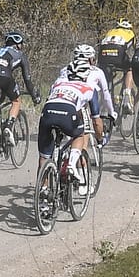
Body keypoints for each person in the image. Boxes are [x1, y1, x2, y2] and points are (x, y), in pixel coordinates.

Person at [38, 60, 100, 188]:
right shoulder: (89, 88)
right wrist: (100, 137)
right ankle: (71, 164)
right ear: (86, 76)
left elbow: (52, 99)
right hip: (67, 113)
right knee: (79, 135)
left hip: (47, 113)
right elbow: (95, 117)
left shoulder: (57, 83)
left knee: (44, 156)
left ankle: (43, 191)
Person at [0, 31, 36, 128]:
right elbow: (27, 79)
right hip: (4, 76)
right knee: (16, 101)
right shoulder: (20, 55)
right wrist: (34, 96)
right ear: (17, 44)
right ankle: (9, 127)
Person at [96, 20, 137, 108]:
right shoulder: (130, 33)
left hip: (103, 56)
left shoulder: (110, 31)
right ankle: (127, 93)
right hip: (118, 55)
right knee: (130, 69)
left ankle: (104, 95)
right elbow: (134, 50)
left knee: (107, 74)